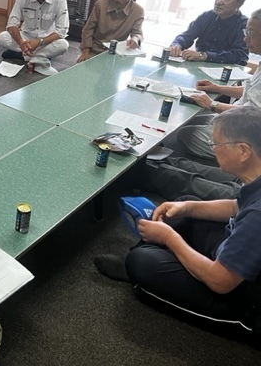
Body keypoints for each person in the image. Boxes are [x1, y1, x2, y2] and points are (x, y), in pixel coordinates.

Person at [96, 107, 261, 333]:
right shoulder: (256, 179)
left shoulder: (258, 217)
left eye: (217, 144)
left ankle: (138, 272)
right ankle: (144, 259)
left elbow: (220, 281)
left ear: (243, 151)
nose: (213, 150)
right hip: (233, 249)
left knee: (142, 263)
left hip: (243, 298)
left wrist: (169, 238)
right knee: (184, 205)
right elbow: (236, 207)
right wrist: (187, 207)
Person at [174, 8, 261, 160]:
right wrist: (217, 88)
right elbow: (251, 91)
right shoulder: (207, 16)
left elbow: (252, 114)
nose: (245, 39)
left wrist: (213, 104)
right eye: (246, 32)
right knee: (186, 120)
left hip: (248, 135)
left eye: (251, 34)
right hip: (237, 120)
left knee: (184, 134)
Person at [0, 0, 70, 76]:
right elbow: (12, 23)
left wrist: (39, 42)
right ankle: (38, 58)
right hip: (25, 37)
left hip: (46, 40)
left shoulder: (60, 0)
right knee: (2, 38)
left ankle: (25, 55)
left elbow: (61, 31)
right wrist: (21, 42)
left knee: (63, 45)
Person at [169, 0, 249, 65]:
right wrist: (177, 45)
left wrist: (204, 56)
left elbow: (239, 55)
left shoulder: (244, 25)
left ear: (240, 3)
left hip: (227, 71)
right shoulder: (206, 16)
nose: (219, 2)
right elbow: (186, 36)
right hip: (200, 66)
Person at [77, 0, 144, 63]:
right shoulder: (101, 4)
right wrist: (86, 51)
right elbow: (88, 29)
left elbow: (138, 34)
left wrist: (135, 39)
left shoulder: (138, 11)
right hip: (94, 50)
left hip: (117, 54)